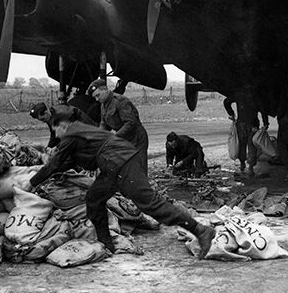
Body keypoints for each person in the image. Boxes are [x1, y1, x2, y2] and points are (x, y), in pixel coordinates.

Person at [27, 114, 216, 258]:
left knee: (151, 204)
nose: (56, 136)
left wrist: (31, 182)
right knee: (94, 199)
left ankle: (200, 230)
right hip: (112, 166)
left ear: (62, 125)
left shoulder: (70, 134)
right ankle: (107, 244)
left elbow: (55, 163)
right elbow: (74, 161)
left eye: (56, 131)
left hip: (122, 163)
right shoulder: (80, 132)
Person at [87, 79, 149, 175]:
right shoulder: (103, 106)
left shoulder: (120, 101)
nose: (96, 99)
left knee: (138, 169)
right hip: (124, 139)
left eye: (97, 95)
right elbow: (104, 124)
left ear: (105, 90)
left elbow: (130, 123)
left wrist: (114, 138)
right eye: (95, 97)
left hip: (136, 139)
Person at [223, 97, 269, 176]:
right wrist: (265, 123)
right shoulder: (257, 96)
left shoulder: (239, 94)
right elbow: (263, 110)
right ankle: (250, 168)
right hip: (253, 125)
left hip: (241, 124)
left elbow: (226, 101)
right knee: (252, 146)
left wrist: (231, 113)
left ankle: (242, 165)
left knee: (241, 145)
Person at [29, 102, 95, 148]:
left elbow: (68, 137)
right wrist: (49, 148)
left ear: (46, 112)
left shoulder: (62, 115)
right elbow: (54, 134)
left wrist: (57, 147)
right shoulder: (49, 116)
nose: (43, 122)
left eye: (43, 119)